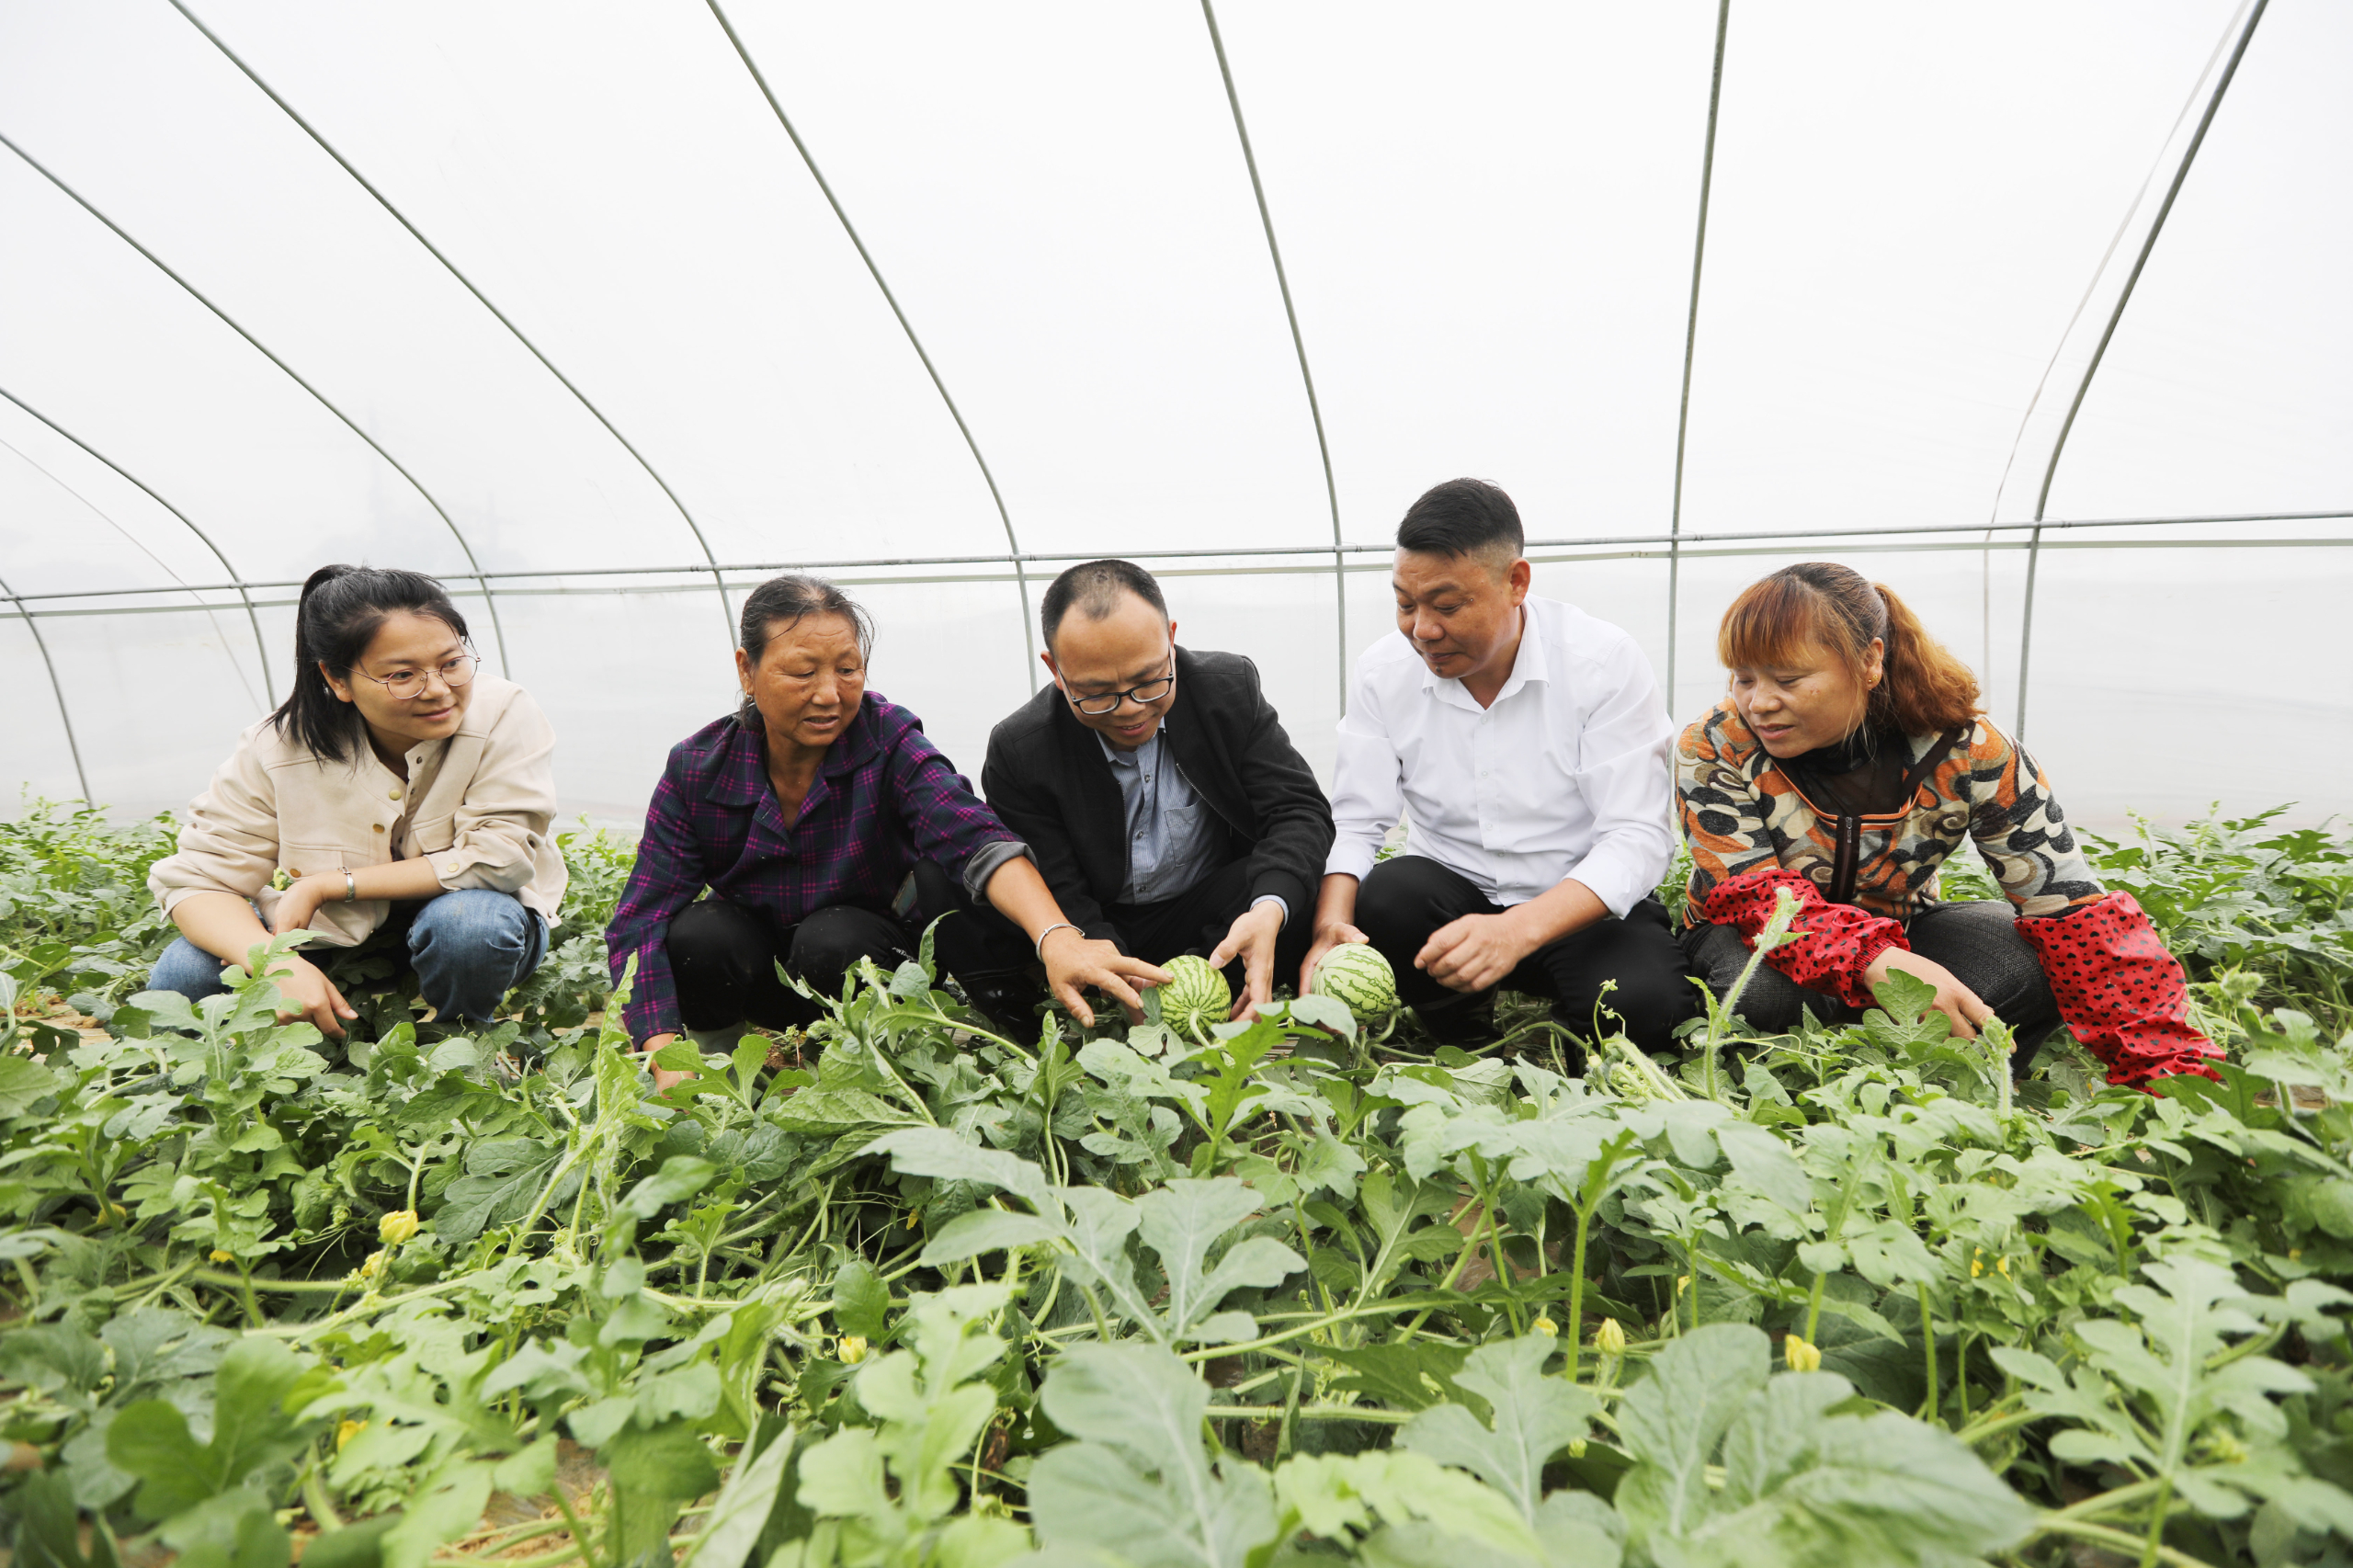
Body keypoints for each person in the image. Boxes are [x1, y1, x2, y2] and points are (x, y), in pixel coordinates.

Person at [1677, 561, 2220, 1087]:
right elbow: (1753, 896)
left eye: (1789, 679)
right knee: (1758, 996)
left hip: (1905, 932)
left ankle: (1955, 1073)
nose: (1759, 703)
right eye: (1744, 678)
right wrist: (1877, 962)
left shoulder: (1970, 750)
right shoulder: (1717, 743)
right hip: (1755, 942)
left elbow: (2073, 911)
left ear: (1870, 661)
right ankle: (1857, 1064)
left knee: (2038, 958)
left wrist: (2174, 1074)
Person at [604, 574, 1163, 1078]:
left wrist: (1056, 937)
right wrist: (661, 1053)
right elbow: (640, 919)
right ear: (747, 671)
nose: (830, 693)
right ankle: (720, 1062)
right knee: (698, 933)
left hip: (863, 966)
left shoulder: (886, 740)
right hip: (762, 973)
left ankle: (860, 1066)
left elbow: (974, 837)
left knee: (834, 938)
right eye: (803, 672)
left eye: (847, 669)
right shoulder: (698, 769)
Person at [1305, 479, 1695, 1061]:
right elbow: (1359, 821)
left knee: (1649, 1009)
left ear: (1517, 583)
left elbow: (1635, 837)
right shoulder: (1382, 673)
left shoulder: (1601, 663)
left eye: (1446, 605)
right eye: (1406, 605)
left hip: (1577, 906)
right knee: (1387, 899)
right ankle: (1462, 1031)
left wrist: (1518, 930)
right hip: (1452, 904)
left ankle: (1563, 1032)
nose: (1422, 630)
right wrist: (1330, 928)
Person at [147, 565, 563, 1039]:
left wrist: (327, 885)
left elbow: (500, 858)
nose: (439, 690)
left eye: (451, 663)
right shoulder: (277, 747)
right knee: (184, 973)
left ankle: (465, 1041)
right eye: (402, 675)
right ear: (337, 678)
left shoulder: (503, 712)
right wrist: (275, 963)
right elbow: (200, 879)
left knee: (468, 925)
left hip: (466, 923)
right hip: (335, 935)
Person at [975, 561, 1335, 1019]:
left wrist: (1267, 909)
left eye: (1149, 681)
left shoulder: (1228, 691)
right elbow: (1058, 883)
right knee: (978, 888)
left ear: (1171, 639)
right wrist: (1115, 975)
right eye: (1097, 693)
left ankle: (1216, 979)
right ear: (1055, 669)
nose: (1129, 710)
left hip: (1209, 915)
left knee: (1285, 884)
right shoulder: (1021, 749)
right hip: (1097, 925)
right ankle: (1037, 1013)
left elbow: (1297, 809)